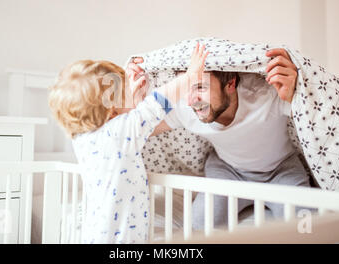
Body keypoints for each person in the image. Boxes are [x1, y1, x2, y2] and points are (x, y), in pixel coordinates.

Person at [126, 44, 312, 229]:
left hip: (281, 170)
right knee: (199, 228)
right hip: (228, 171)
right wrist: (134, 100)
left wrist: (298, 94)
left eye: (200, 87)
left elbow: (313, 117)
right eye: (187, 89)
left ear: (230, 84)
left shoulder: (266, 94)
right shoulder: (187, 107)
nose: (191, 101)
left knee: (307, 228)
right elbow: (138, 129)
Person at [48, 45, 209, 243]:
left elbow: (125, 117)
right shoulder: (120, 132)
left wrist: (129, 92)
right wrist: (190, 77)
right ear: (112, 111)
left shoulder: (82, 138)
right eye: (122, 93)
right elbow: (157, 104)